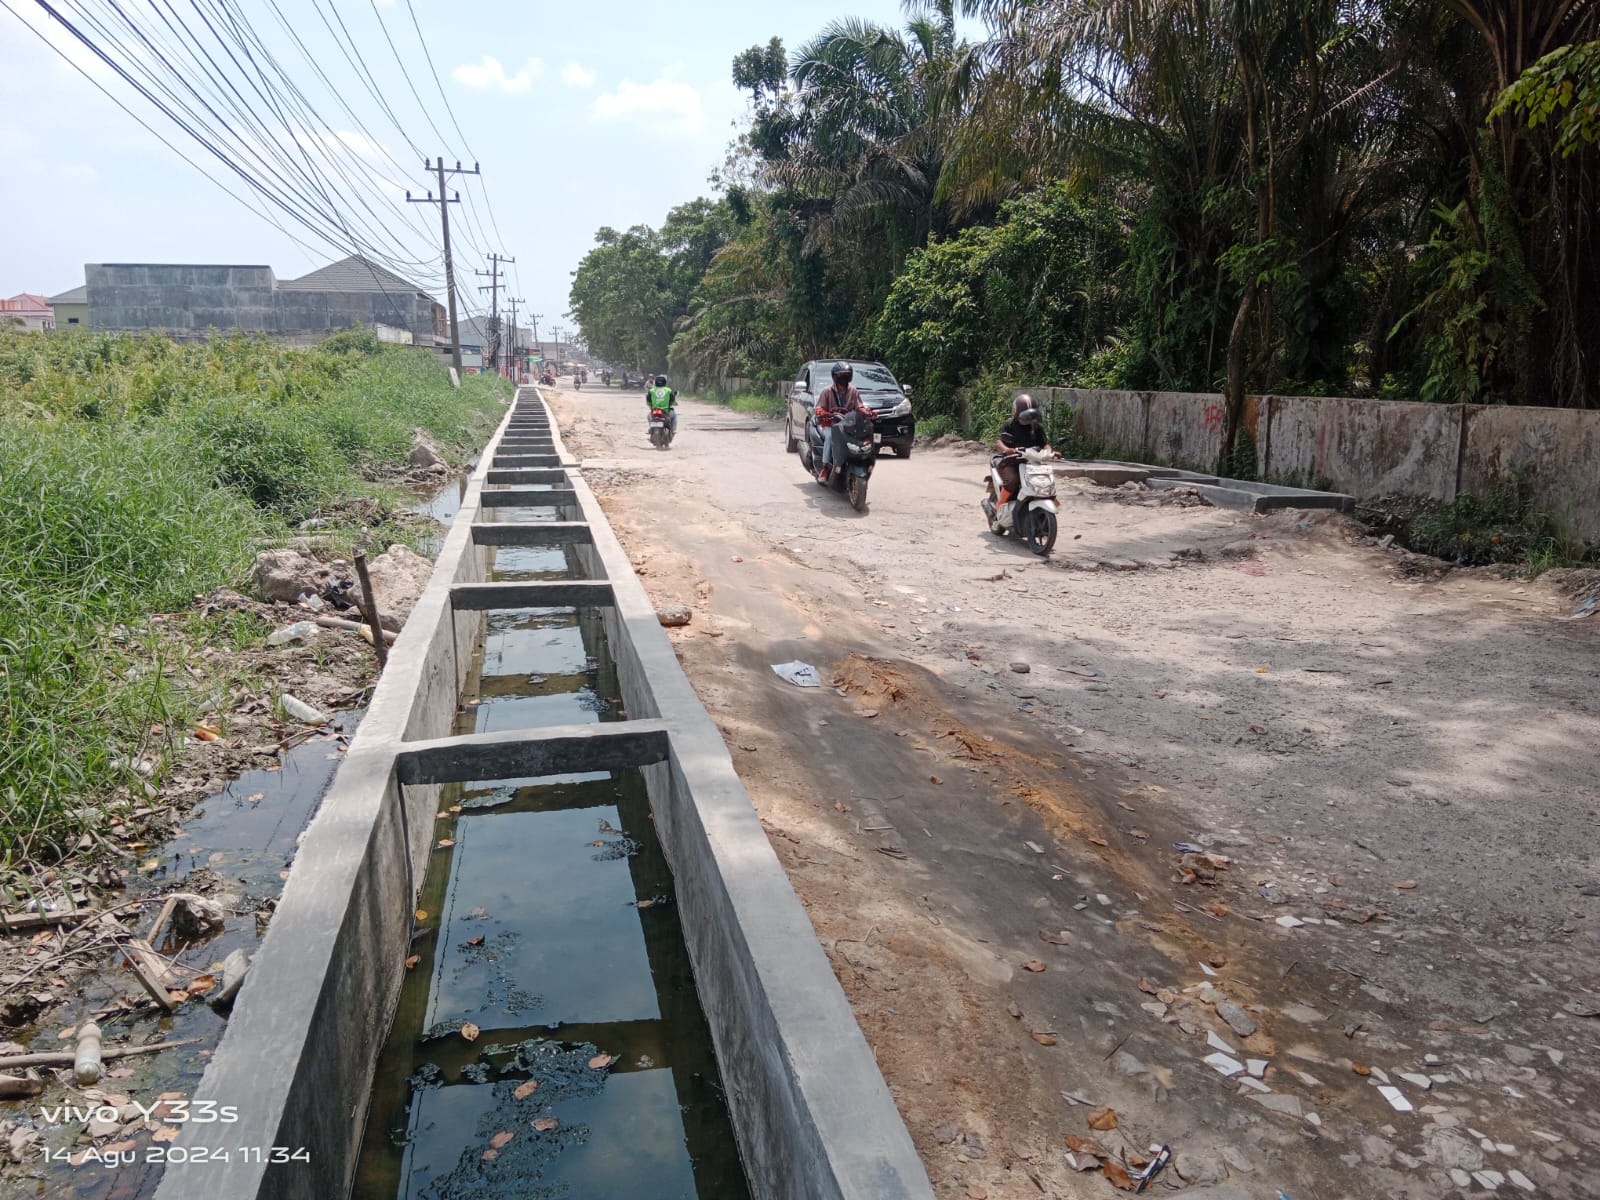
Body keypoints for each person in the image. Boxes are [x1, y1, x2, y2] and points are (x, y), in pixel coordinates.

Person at [813, 361, 871, 479]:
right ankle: (824, 468)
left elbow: (859, 406)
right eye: (840, 375)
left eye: (846, 375)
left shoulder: (853, 391)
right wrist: (824, 413)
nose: (843, 378)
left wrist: (866, 412)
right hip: (830, 424)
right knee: (830, 437)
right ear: (835, 376)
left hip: (848, 425)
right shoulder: (827, 391)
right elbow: (819, 408)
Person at [993, 393, 1052, 505]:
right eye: (1026, 416)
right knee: (1012, 481)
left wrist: (1049, 451)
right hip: (1011, 461)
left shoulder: (1037, 428)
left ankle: (1051, 503)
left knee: (1044, 482)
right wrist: (1006, 449)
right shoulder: (1009, 425)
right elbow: (999, 441)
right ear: (1016, 413)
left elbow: (1044, 443)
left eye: (1031, 416)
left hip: (1031, 461)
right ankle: (999, 505)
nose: (1029, 420)